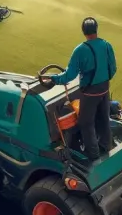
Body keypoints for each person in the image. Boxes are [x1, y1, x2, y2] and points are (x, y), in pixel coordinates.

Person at [45, 17, 117, 160]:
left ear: (83, 31)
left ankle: (94, 156)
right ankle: (107, 146)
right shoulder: (107, 45)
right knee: (103, 119)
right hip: (104, 89)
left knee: (85, 122)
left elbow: (69, 76)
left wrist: (54, 79)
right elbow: (113, 68)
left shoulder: (80, 50)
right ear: (96, 29)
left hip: (90, 93)